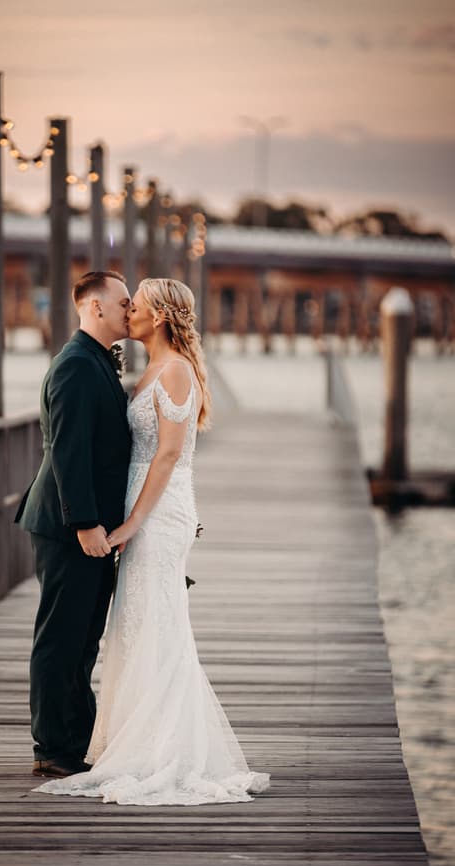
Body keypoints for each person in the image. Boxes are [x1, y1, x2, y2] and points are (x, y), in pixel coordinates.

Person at [33, 278, 270, 805]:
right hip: (130, 516)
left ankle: (155, 746)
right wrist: (102, 519)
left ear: (159, 316)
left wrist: (134, 522)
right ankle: (101, 740)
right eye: (124, 303)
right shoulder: (121, 367)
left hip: (153, 516)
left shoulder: (175, 370)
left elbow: (166, 455)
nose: (129, 312)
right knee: (128, 625)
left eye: (135, 305)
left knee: (152, 622)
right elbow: (87, 447)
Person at [15, 270, 132, 777]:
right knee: (62, 635)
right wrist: (86, 523)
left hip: (93, 527)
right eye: (124, 301)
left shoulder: (95, 361)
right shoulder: (76, 366)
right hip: (70, 528)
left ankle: (75, 736)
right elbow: (68, 451)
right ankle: (52, 747)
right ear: (95, 307)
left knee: (84, 636)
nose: (132, 309)